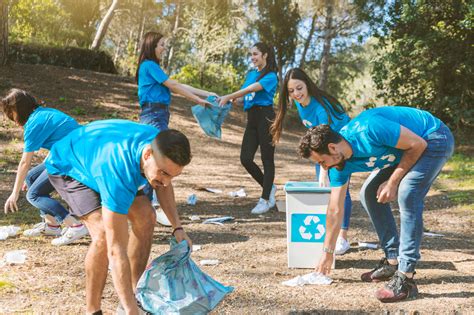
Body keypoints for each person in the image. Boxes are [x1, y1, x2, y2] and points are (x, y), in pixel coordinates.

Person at [298, 106, 454, 302]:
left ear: (332, 148)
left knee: (407, 193)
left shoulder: (370, 129)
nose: (323, 167)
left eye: (321, 162)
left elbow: (417, 144)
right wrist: (327, 252)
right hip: (406, 150)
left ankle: (406, 278)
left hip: (433, 138)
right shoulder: (338, 165)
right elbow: (335, 209)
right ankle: (393, 260)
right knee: (369, 194)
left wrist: (393, 182)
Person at [45, 119, 192, 314]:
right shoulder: (117, 172)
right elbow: (116, 251)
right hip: (69, 166)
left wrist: (178, 227)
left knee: (147, 216)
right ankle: (94, 310)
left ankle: (135, 295)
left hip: (99, 159)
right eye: (163, 173)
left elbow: (165, 183)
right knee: (104, 236)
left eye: (172, 176)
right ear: (147, 154)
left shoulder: (159, 144)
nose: (165, 182)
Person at [271, 68, 352, 255]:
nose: (296, 94)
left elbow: (327, 135)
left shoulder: (320, 108)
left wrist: (324, 167)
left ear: (307, 84)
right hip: (324, 146)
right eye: (291, 91)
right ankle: (328, 232)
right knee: (324, 188)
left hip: (341, 144)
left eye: (299, 88)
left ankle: (343, 237)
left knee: (340, 188)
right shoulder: (300, 104)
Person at [136, 31, 213, 225]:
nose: (164, 48)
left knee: (156, 160)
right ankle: (146, 208)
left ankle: (147, 206)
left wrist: (207, 94)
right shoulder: (149, 65)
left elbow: (177, 84)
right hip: (154, 115)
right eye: (161, 45)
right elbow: (173, 85)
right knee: (156, 161)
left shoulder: (152, 67)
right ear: (151, 46)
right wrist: (198, 100)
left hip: (158, 114)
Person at [1, 89, 88, 245]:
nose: (10, 117)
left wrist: (14, 193)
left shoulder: (34, 124)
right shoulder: (42, 114)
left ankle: (75, 225)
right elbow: (56, 143)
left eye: (10, 112)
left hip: (73, 156)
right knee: (32, 177)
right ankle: (52, 225)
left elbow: (24, 163)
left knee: (33, 195)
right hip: (70, 151)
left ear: (18, 110)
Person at [218, 42, 278, 214]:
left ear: (265, 55)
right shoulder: (251, 74)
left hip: (266, 118)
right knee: (245, 158)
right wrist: (230, 100)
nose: (252, 57)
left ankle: (265, 199)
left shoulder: (271, 76)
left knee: (267, 159)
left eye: (256, 54)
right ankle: (270, 187)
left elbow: (253, 89)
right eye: (251, 54)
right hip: (251, 118)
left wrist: (230, 95)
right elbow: (245, 96)